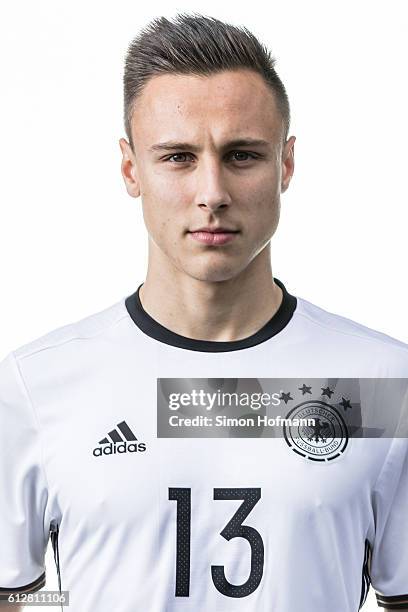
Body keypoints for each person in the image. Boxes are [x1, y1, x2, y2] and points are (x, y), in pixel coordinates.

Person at [0, 12, 407, 612]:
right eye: (178, 157)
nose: (212, 192)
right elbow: (18, 596)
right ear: (129, 167)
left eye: (242, 155)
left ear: (286, 165)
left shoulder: (380, 384)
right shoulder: (36, 388)